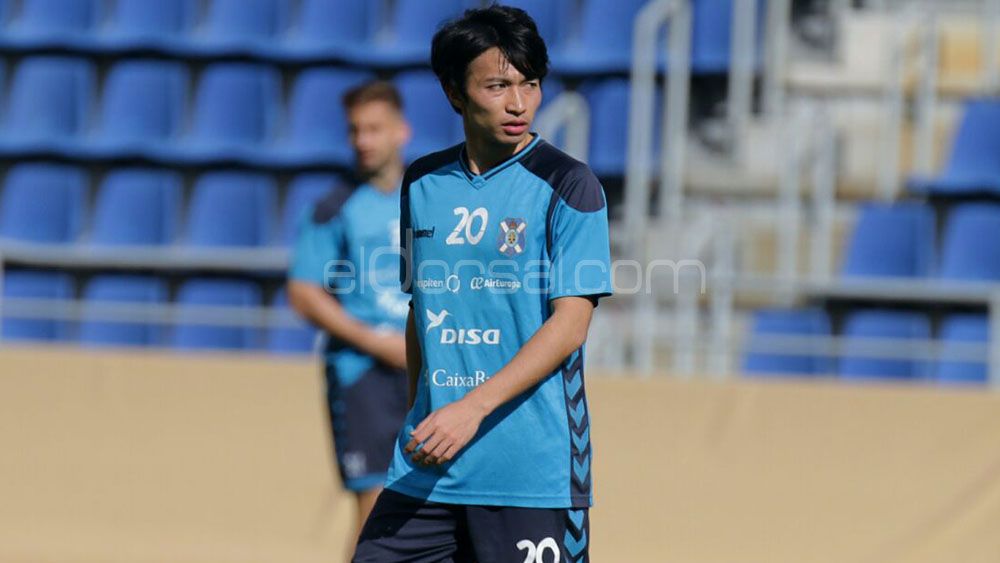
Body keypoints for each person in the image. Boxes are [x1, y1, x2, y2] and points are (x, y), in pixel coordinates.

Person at [353, 5, 612, 562]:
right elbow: (421, 311)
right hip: (429, 466)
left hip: (529, 474)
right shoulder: (422, 182)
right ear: (455, 92)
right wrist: (420, 412)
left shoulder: (570, 184)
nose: (518, 103)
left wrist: (469, 409)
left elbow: (571, 326)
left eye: (529, 84)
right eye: (497, 86)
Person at [287, 80, 412, 556]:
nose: (363, 140)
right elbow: (304, 292)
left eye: (374, 129)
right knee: (376, 510)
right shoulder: (334, 208)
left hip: (431, 370)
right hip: (364, 374)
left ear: (401, 131)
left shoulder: (431, 196)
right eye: (355, 130)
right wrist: (376, 341)